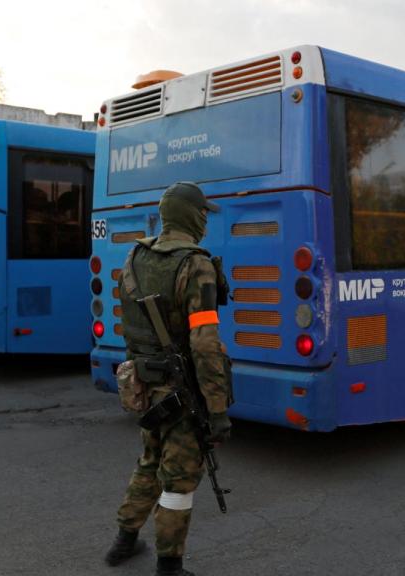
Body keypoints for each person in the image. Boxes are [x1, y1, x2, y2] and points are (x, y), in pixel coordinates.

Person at [104, 181, 232, 576]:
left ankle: (124, 542)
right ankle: (169, 564)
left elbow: (130, 325)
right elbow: (205, 343)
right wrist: (216, 408)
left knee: (149, 460)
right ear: (191, 216)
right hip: (182, 388)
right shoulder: (196, 264)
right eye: (203, 215)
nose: (206, 223)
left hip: (145, 383)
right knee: (179, 479)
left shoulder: (135, 256)